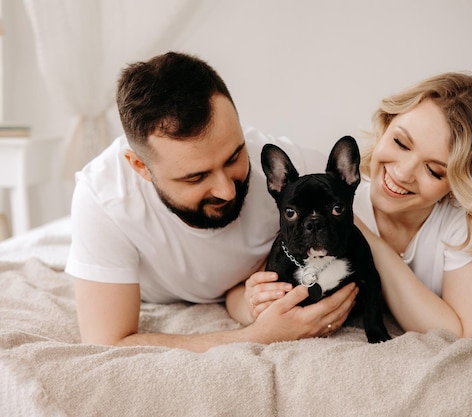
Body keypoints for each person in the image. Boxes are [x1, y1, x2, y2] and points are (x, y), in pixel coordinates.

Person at [66, 51, 358, 353]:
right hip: (160, 293)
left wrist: (254, 304)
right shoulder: (104, 199)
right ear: (140, 167)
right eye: (196, 177)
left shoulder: (288, 172)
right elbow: (108, 341)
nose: (227, 191)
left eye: (234, 156)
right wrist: (260, 335)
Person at [353, 72, 472, 338]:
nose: (402, 174)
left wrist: (369, 241)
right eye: (400, 143)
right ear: (387, 123)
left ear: (460, 186)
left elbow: (464, 334)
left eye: (434, 171)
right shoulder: (342, 197)